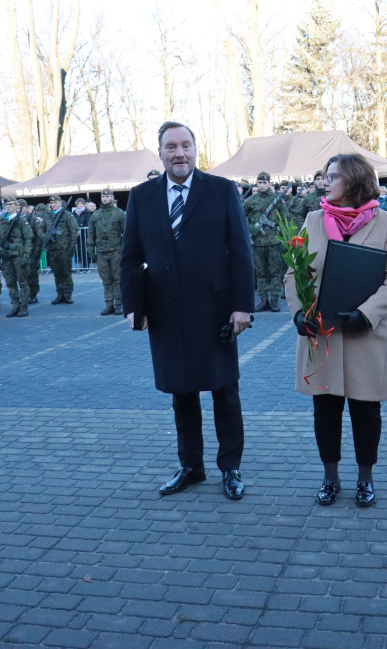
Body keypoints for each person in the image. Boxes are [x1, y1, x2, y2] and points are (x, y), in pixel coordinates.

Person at [120, 121, 255, 500]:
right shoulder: (141, 196)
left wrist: (242, 307)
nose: (179, 153)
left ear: (196, 149)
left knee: (224, 391)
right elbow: (130, 257)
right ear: (160, 153)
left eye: (185, 146)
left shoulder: (221, 190)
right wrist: (133, 305)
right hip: (166, 312)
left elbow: (241, 252)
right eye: (171, 147)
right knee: (181, 392)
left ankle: (230, 468)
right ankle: (191, 467)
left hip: (215, 311)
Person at [285, 153, 387, 508]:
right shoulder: (313, 220)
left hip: (365, 335)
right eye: (325, 176)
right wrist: (297, 313)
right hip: (321, 334)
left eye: (333, 176)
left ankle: (365, 478)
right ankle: (330, 477)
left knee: (365, 411)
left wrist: (366, 314)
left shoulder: (386, 222)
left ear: (354, 181)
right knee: (325, 410)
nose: (325, 182)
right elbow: (295, 273)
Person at [243, 171, 288, 312]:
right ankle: (263, 300)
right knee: (261, 273)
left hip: (274, 242)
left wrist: (283, 239)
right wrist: (251, 228)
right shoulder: (250, 201)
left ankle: (274, 300)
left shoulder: (277, 199)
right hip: (257, 242)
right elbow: (240, 217)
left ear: (269, 183)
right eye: (260, 183)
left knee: (275, 272)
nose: (262, 185)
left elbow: (284, 219)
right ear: (256, 183)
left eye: (265, 182)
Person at [87, 188, 126, 315]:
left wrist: (126, 251)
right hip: (102, 252)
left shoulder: (119, 213)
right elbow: (90, 234)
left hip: (116, 251)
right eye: (103, 196)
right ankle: (109, 304)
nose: (105, 198)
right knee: (106, 280)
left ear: (112, 197)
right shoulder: (96, 215)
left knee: (117, 278)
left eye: (107, 196)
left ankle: (118, 304)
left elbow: (126, 233)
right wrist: (91, 252)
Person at [0, 198, 32, 317]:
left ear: (17, 206)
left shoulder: (21, 220)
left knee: (23, 282)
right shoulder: (1, 221)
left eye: (11, 204)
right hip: (6, 256)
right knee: (10, 283)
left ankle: (24, 306)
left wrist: (25, 255)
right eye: (7, 205)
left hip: (18, 256)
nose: (8, 206)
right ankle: (15, 305)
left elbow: (28, 238)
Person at [43, 195, 79, 304]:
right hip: (52, 249)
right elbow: (40, 229)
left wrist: (71, 248)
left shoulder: (67, 215)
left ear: (60, 203)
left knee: (66, 273)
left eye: (55, 202)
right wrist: (44, 237)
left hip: (64, 249)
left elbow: (74, 231)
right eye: (51, 203)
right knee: (57, 273)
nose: (53, 204)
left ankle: (67, 294)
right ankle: (60, 294)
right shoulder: (48, 216)